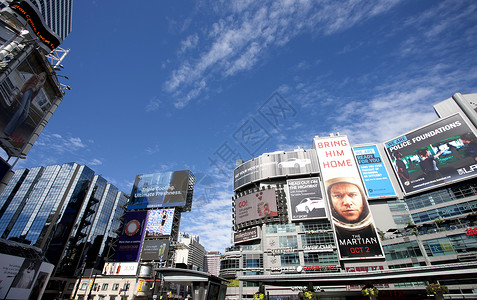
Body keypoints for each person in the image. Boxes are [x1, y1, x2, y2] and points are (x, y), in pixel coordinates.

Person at [326, 177, 382, 258]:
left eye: (352, 195)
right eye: (338, 196)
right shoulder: (330, 230)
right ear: (330, 201)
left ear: (362, 197)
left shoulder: (374, 226)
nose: (347, 202)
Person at [4, 72, 46, 137]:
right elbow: (27, 83)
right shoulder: (35, 76)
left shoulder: (40, 85)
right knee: (20, 111)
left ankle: (11, 132)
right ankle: (7, 130)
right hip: (27, 91)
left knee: (25, 115)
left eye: (43, 77)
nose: (41, 77)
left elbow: (34, 95)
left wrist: (30, 101)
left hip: (30, 96)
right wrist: (22, 92)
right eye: (42, 75)